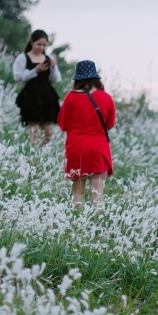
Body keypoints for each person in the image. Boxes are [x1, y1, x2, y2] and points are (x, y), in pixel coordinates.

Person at [57, 60, 116, 209]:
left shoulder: (70, 97)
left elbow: (63, 125)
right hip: (98, 146)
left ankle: (78, 219)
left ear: (78, 78)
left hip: (76, 145)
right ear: (96, 78)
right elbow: (109, 124)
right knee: (97, 188)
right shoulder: (107, 98)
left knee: (78, 190)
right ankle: (97, 220)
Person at [13, 29, 62, 147]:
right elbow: (18, 77)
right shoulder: (23, 58)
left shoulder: (48, 58)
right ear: (32, 42)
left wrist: (54, 67)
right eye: (39, 44)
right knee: (33, 130)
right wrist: (35, 71)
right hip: (31, 96)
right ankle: (32, 153)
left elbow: (56, 79)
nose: (41, 47)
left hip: (47, 96)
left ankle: (42, 153)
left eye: (44, 45)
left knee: (49, 131)